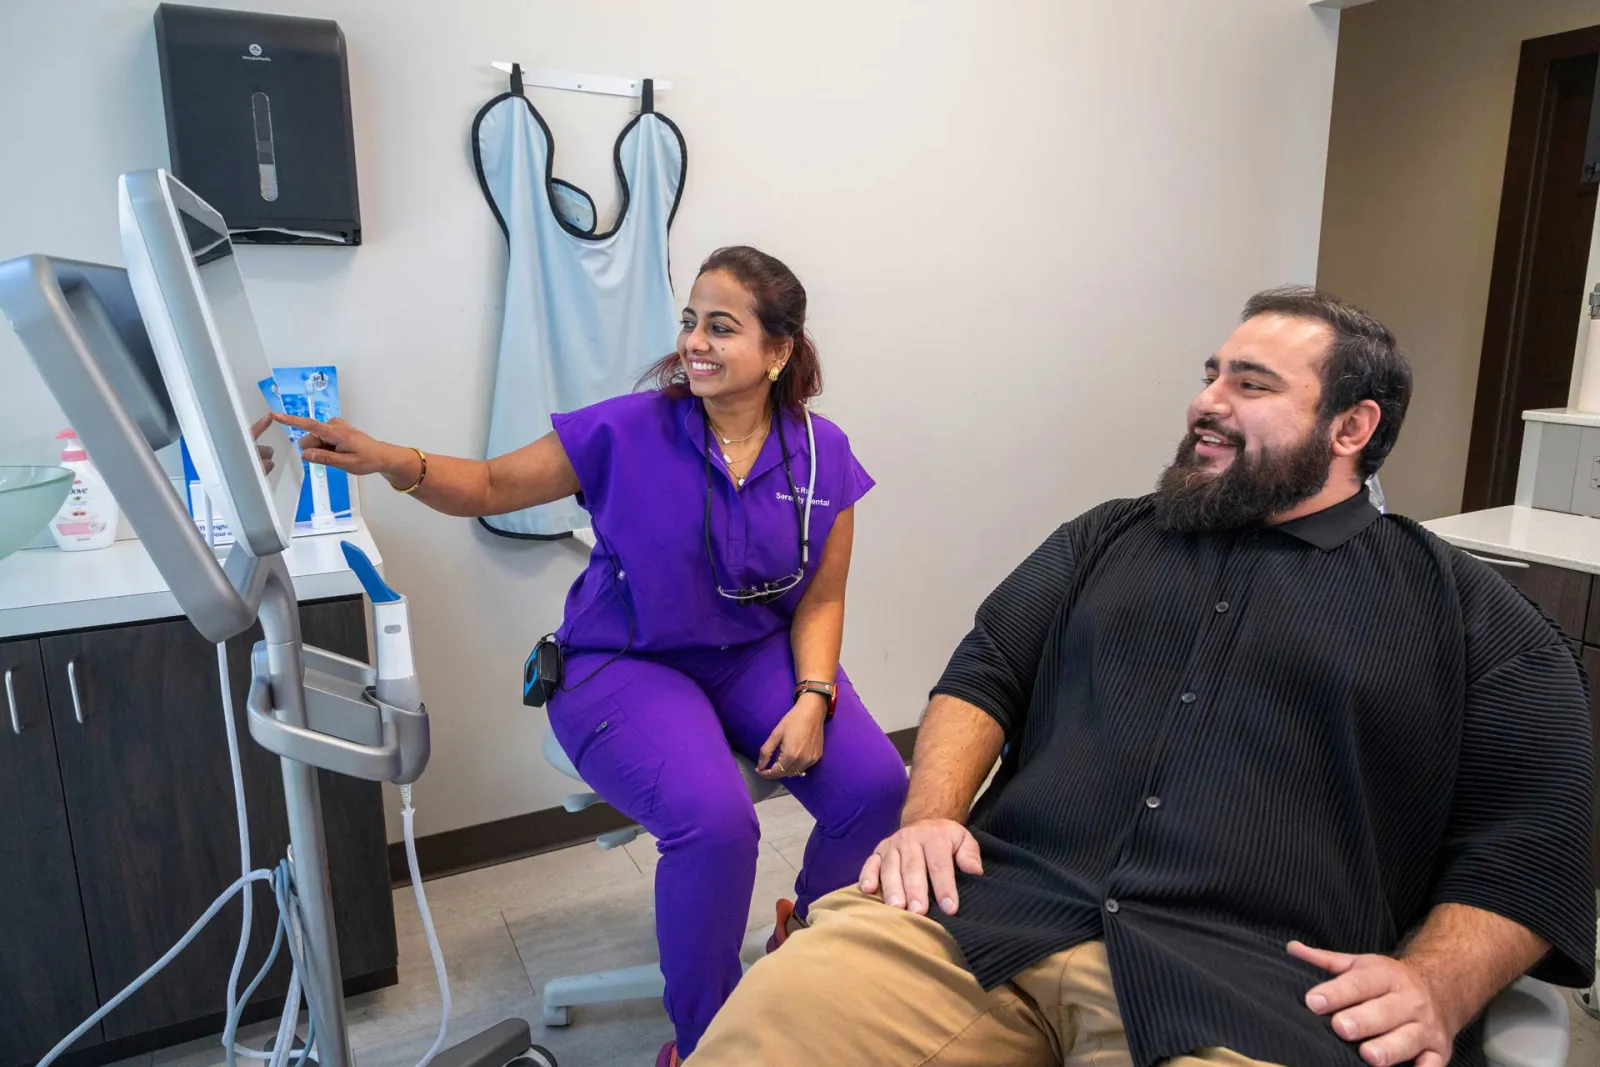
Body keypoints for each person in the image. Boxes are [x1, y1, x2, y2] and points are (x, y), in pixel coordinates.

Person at [685, 287, 1597, 1067]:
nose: (1207, 400)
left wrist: (1438, 981)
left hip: (1254, 987)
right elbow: (987, 667)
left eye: (1251, 384)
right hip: (989, 915)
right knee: (768, 1028)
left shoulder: (1468, 613)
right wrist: (928, 818)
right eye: (1211, 373)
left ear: (1352, 427)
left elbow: (1538, 833)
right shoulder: (1107, 538)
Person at [275, 246, 909, 1066]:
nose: (697, 342)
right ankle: (714, 1041)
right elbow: (495, 486)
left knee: (875, 786)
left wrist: (815, 695)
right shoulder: (630, 428)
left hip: (754, 651)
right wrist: (401, 462)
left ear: (779, 350)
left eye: (722, 326)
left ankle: (807, 947)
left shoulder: (821, 455)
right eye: (690, 322)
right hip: (623, 659)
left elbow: (820, 597)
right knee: (717, 823)